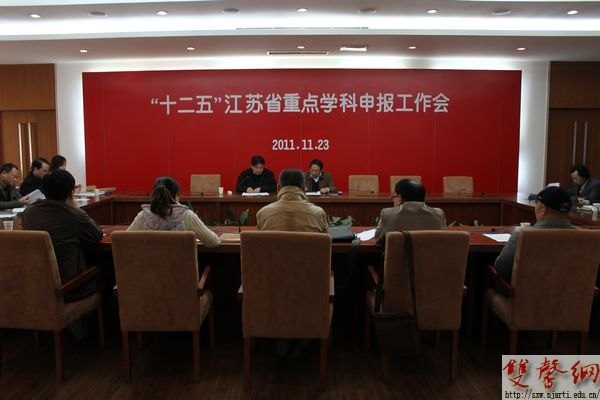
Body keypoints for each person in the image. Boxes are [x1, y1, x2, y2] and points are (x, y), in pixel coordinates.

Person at [22, 169, 102, 301]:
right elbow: (96, 235)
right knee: (104, 271)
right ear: (71, 193)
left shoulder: (29, 213)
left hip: (37, 286)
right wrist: (75, 208)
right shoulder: (73, 215)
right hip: (69, 289)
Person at [495, 186, 576, 284]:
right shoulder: (586, 237)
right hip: (572, 293)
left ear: (543, 209)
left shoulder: (522, 234)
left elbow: (502, 269)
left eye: (536, 203)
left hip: (526, 293)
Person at [128, 176, 220, 247]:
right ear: (177, 195)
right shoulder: (186, 216)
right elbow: (213, 242)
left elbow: (125, 241)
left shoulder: (143, 216)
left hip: (148, 266)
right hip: (181, 267)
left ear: (154, 194)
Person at [374, 179, 446, 245]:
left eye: (394, 197)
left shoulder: (387, 214)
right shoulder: (439, 213)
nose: (393, 200)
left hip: (399, 255)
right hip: (430, 255)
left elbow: (378, 240)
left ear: (400, 198)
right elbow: (443, 239)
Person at [256, 168, 328, 232]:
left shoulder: (263, 213)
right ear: (303, 188)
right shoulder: (318, 214)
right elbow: (325, 240)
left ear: (278, 188)